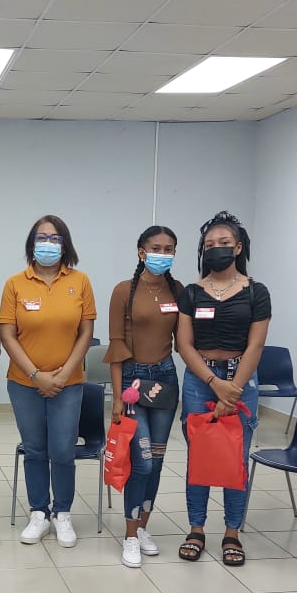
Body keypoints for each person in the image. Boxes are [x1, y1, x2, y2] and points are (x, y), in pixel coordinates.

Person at [176, 212, 270, 567]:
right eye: (209, 244)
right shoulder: (191, 292)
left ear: (238, 247)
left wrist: (234, 388)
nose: (216, 248)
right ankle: (196, 529)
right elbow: (184, 344)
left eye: (224, 243)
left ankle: (232, 532)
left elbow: (256, 345)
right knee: (199, 457)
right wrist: (215, 384)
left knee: (235, 458)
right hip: (200, 380)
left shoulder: (256, 292)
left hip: (241, 378)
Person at [0, 215, 96, 548]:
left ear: (65, 245)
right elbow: (7, 335)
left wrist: (64, 374)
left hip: (68, 383)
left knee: (63, 451)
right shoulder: (15, 283)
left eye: (55, 239)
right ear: (32, 243)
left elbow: (86, 332)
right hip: (24, 382)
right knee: (35, 450)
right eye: (42, 238)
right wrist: (36, 375)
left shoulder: (80, 281)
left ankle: (62, 513)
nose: (48, 244)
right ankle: (39, 512)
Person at [105, 225, 182, 568]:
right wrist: (117, 398)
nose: (162, 254)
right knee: (143, 461)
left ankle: (143, 527)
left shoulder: (177, 290)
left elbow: (186, 339)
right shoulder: (123, 290)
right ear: (141, 252)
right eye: (156, 248)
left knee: (159, 461)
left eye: (169, 249)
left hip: (165, 380)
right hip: (132, 382)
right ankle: (130, 536)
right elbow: (116, 346)